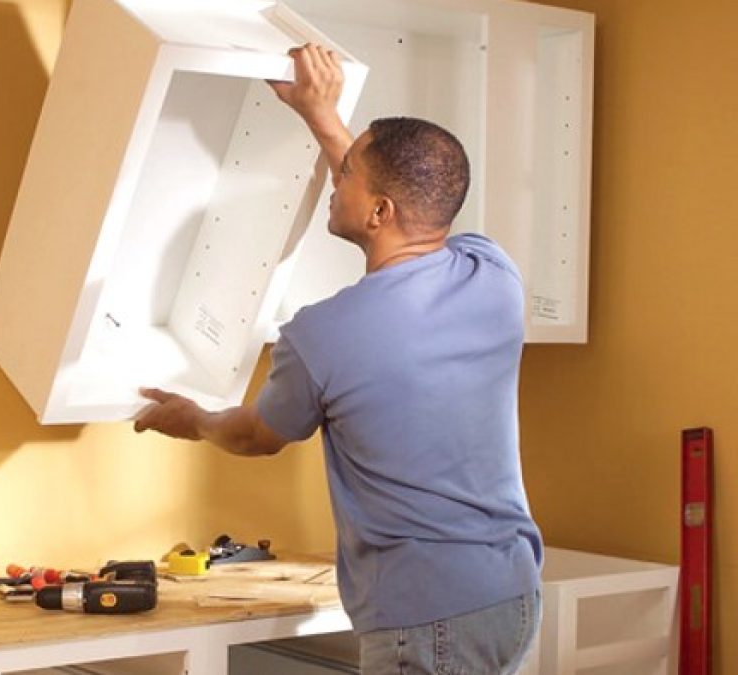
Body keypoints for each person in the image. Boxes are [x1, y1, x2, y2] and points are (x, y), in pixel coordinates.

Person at [133, 43, 543, 674]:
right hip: (508, 594)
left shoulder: (324, 335)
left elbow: (256, 437)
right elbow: (404, 213)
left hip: (425, 616)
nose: (334, 177)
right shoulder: (496, 275)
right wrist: (321, 116)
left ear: (380, 210)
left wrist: (194, 419)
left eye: (345, 172)